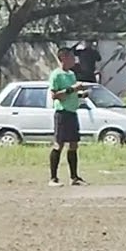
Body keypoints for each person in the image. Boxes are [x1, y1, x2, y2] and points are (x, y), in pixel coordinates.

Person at [48, 47, 89, 187]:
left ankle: (74, 177)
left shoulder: (71, 74)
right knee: (59, 144)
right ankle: (53, 178)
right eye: (71, 57)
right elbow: (55, 96)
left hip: (72, 112)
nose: (74, 60)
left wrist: (80, 94)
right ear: (63, 58)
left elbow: (70, 94)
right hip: (62, 113)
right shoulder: (56, 75)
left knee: (74, 144)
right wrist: (73, 89)